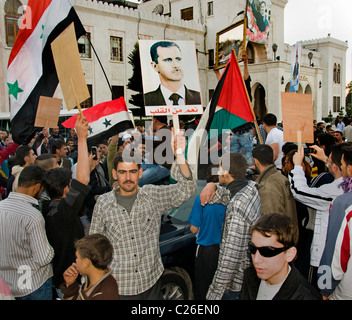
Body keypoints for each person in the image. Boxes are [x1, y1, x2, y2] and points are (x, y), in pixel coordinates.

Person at [89, 130, 196, 299]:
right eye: (122, 172)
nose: (128, 177)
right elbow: (94, 247)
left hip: (152, 284)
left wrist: (180, 156)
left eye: (132, 172)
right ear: (115, 174)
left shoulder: (152, 196)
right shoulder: (103, 204)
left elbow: (187, 189)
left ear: (140, 173)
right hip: (120, 287)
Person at [199, 152, 261, 300]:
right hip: (247, 278)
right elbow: (226, 195)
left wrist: (213, 295)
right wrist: (212, 185)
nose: (218, 172)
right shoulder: (250, 188)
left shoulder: (237, 206)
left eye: (220, 169)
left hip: (234, 285)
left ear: (226, 172)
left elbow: (229, 259)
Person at [41, 115, 92, 295]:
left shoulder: (45, 207)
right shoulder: (63, 212)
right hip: (67, 284)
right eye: (70, 185)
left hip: (57, 279)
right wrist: (82, 137)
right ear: (65, 189)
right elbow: (83, 179)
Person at [289, 144, 344, 287]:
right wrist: (327, 160)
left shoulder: (335, 190)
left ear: (337, 166)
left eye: (331, 162)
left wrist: (297, 166)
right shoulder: (345, 185)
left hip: (326, 257)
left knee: (318, 291)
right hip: (340, 255)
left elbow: (299, 191)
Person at [0, 165, 54, 300]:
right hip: (33, 284)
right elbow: (43, 258)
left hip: (7, 284)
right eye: (42, 189)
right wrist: (52, 250)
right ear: (37, 187)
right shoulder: (32, 216)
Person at [240, 213, 322, 300]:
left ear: (290, 254)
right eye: (252, 249)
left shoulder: (307, 297)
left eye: (267, 251)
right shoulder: (250, 277)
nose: (256, 260)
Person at [188, 164, 226, 300]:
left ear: (207, 177)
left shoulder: (202, 197)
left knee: (203, 287)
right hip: (225, 250)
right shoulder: (229, 196)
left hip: (206, 250)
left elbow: (193, 228)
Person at [319, 144, 352, 299]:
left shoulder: (344, 204)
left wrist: (325, 287)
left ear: (350, 169)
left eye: (343, 164)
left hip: (344, 289)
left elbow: (334, 253)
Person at [59, 234, 119, 300]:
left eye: (77, 257)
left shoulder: (102, 295)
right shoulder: (93, 282)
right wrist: (70, 285)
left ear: (87, 262)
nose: (75, 261)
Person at [144, 41, 201, 106]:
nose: (176, 65)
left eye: (178, 59)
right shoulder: (147, 100)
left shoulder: (198, 98)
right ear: (155, 66)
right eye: (168, 60)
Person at [252, 144, 297, 225]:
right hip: (288, 233)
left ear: (255, 161)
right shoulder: (281, 178)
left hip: (278, 234)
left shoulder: (267, 187)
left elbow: (269, 224)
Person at [138, 116, 174, 186]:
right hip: (153, 163)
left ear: (155, 120)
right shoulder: (163, 131)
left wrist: (140, 137)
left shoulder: (165, 131)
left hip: (162, 167)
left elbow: (155, 140)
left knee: (137, 182)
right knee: (132, 172)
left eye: (151, 121)